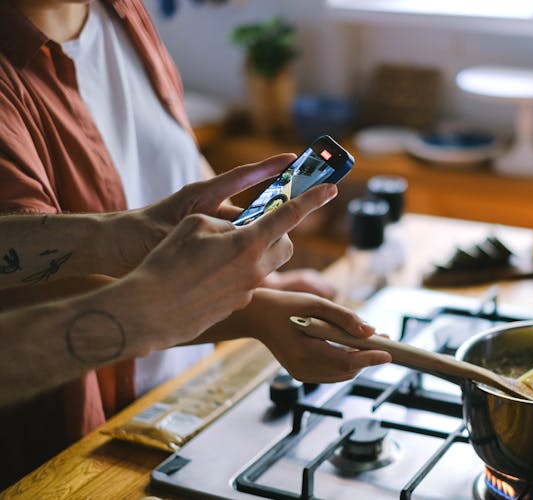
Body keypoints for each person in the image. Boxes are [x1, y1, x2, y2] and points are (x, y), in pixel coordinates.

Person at [0, 0, 355, 485]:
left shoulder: (122, 13)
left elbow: (173, 162)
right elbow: (35, 284)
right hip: (100, 432)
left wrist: (249, 275)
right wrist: (255, 312)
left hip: (185, 388)